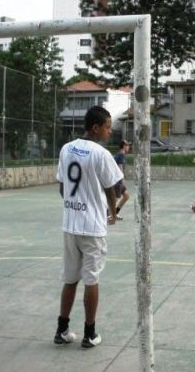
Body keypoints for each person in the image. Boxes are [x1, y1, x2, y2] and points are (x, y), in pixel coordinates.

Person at [55, 106, 123, 349]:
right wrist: (113, 213)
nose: (110, 130)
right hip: (92, 226)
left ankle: (62, 329)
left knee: (70, 279)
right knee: (91, 279)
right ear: (95, 128)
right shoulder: (101, 154)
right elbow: (113, 189)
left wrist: (73, 204)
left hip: (70, 224)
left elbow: (62, 187)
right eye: (107, 126)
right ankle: (90, 333)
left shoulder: (66, 148)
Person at [113, 140, 131, 220]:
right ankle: (108, 214)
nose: (129, 147)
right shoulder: (121, 154)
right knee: (116, 198)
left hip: (118, 179)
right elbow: (119, 166)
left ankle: (115, 212)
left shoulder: (121, 154)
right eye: (127, 145)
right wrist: (122, 178)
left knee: (126, 196)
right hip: (117, 180)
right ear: (124, 146)